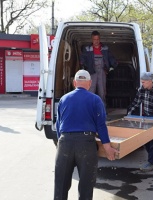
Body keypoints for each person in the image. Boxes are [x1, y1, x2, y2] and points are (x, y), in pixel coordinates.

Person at [54, 70, 118, 200]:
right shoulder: (95, 100)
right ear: (90, 83)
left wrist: (62, 143)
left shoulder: (64, 99)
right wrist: (108, 148)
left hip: (65, 142)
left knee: (61, 185)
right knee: (86, 185)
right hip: (86, 144)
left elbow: (58, 127)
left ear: (74, 83)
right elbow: (101, 126)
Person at [80, 30, 118, 105]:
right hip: (91, 72)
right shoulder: (87, 48)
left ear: (99, 39)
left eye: (97, 39)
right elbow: (82, 58)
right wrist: (84, 65)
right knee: (90, 91)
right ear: (92, 39)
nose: (96, 41)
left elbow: (110, 58)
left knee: (102, 92)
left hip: (102, 71)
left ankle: (102, 111)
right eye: (94, 39)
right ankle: (90, 109)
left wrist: (114, 64)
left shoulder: (105, 48)